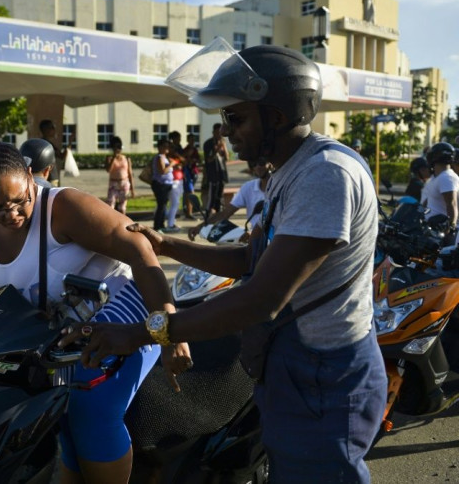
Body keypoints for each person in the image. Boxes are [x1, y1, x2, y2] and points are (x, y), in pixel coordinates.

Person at [60, 43, 387, 483]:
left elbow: (261, 298)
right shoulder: (290, 171)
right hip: (291, 362)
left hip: (324, 372)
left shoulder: (325, 175)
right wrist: (171, 245)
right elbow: (252, 258)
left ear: (276, 116)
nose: (228, 131)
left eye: (236, 118)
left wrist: (141, 333)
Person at [0, 142, 191, 484]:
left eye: (20, 200)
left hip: (124, 302)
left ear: (30, 177)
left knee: (85, 398)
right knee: (49, 410)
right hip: (60, 323)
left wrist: (169, 330)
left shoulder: (64, 208)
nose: (10, 214)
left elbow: (141, 250)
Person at [187, 158, 271, 242]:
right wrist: (201, 226)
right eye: (253, 164)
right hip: (254, 238)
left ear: (271, 164)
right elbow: (226, 213)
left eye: (262, 163)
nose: (258, 167)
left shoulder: (280, 187)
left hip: (275, 237)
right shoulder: (248, 188)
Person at [421, 142, 459, 233]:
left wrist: (450, 229)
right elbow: (428, 201)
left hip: (440, 231)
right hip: (431, 228)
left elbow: (452, 204)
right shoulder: (437, 177)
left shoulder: (447, 177)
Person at [202, 123, 229, 218]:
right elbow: (208, 159)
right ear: (213, 132)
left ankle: (218, 216)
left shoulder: (222, 142)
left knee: (219, 197)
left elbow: (227, 158)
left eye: (221, 133)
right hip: (212, 174)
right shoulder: (208, 143)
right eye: (217, 132)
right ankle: (207, 216)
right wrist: (216, 149)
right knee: (212, 197)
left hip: (221, 174)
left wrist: (224, 147)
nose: (219, 135)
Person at [104, 136, 134, 215]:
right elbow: (108, 170)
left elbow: (130, 173)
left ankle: (122, 224)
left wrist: (132, 189)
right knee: (110, 205)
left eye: (119, 148)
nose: (117, 150)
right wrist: (113, 158)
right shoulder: (109, 158)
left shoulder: (126, 158)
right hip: (113, 184)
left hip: (124, 183)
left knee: (122, 207)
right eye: (115, 148)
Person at [151, 138, 174, 232]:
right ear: (160, 147)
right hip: (160, 185)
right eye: (165, 146)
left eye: (168, 146)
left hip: (166, 184)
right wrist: (171, 164)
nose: (167, 148)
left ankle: (161, 224)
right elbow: (162, 171)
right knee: (161, 205)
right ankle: (157, 226)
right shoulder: (160, 157)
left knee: (164, 205)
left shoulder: (164, 157)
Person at [165, 134, 185, 233]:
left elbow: (183, 162)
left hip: (179, 180)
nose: (174, 150)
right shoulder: (167, 158)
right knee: (174, 203)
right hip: (173, 182)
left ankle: (172, 221)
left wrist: (177, 155)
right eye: (172, 148)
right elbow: (177, 167)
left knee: (176, 203)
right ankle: (170, 224)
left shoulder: (175, 157)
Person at [40, 119, 67, 187]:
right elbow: (61, 156)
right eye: (52, 127)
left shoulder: (41, 143)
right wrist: (69, 142)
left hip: (44, 176)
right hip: (51, 176)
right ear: (46, 130)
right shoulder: (48, 145)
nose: (54, 130)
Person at [182, 134, 201, 219]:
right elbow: (184, 160)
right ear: (188, 140)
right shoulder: (185, 149)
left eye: (194, 140)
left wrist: (194, 160)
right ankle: (189, 212)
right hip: (187, 173)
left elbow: (199, 159)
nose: (192, 141)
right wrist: (188, 157)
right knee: (189, 192)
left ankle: (189, 211)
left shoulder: (195, 149)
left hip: (193, 172)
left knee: (188, 192)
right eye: (191, 140)